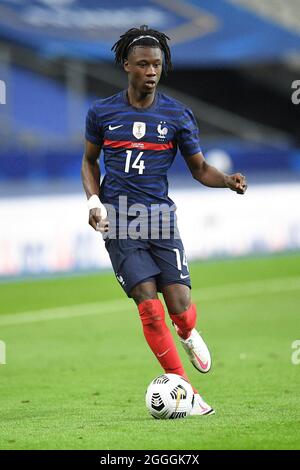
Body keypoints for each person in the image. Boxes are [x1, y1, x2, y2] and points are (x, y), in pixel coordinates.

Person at [81, 25, 247, 416]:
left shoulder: (176, 114)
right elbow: (89, 162)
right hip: (120, 221)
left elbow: (200, 168)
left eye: (156, 64)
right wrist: (93, 202)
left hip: (159, 220)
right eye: (143, 64)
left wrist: (225, 181)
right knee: (148, 305)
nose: (151, 71)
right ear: (127, 66)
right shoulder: (102, 112)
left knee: (179, 305)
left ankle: (188, 332)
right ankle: (187, 394)